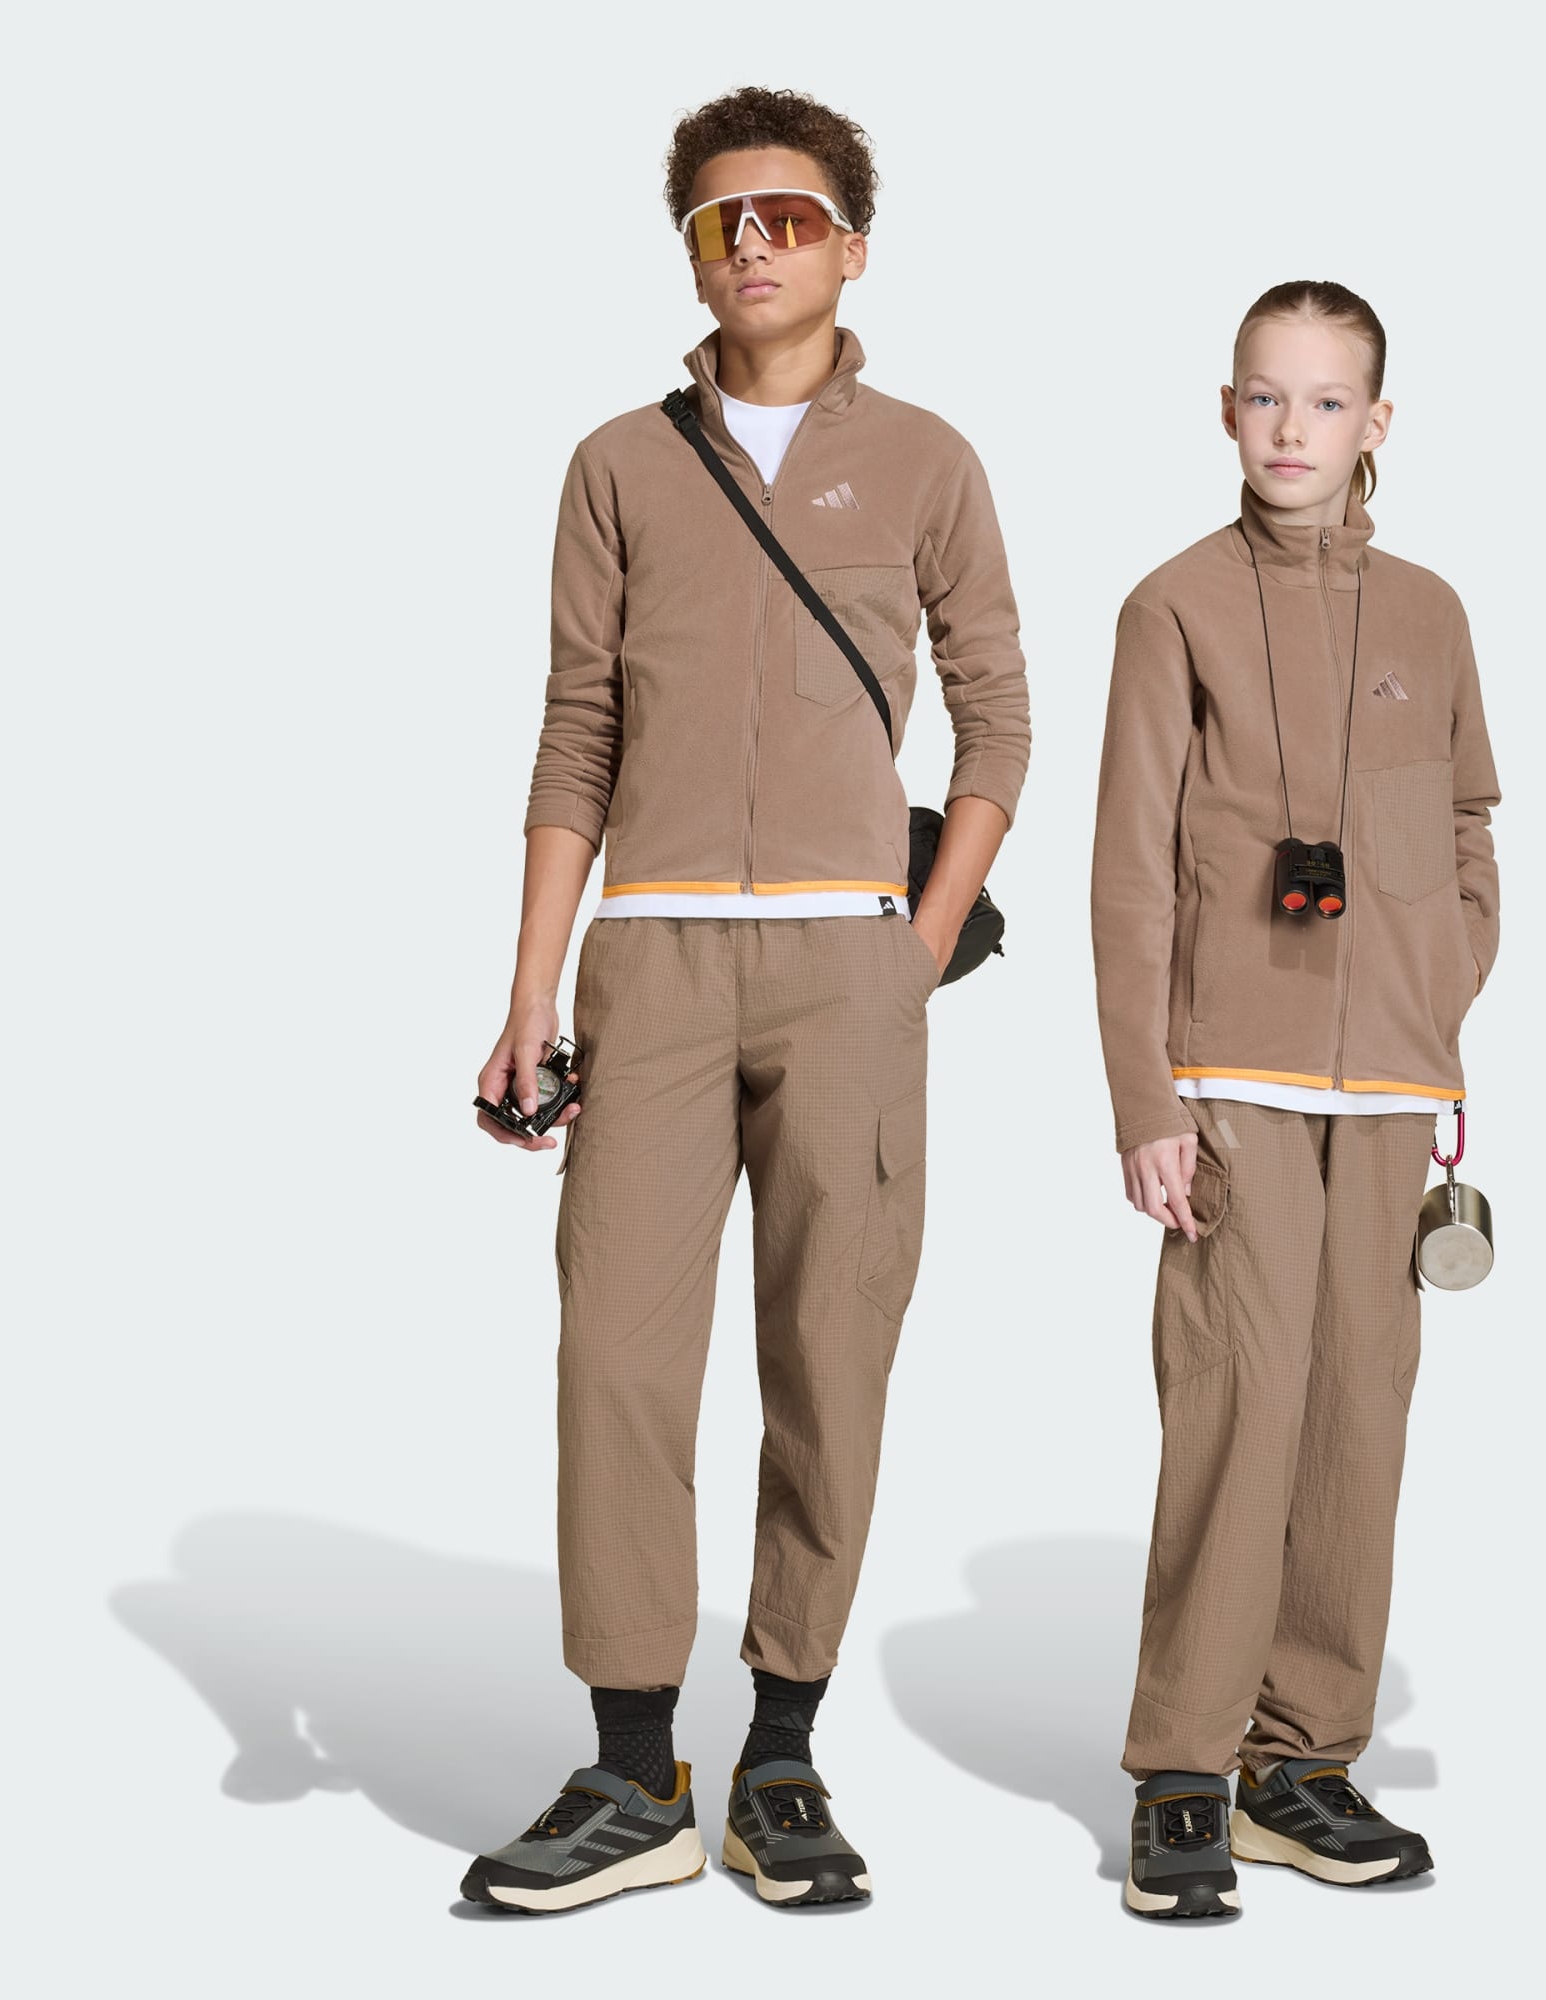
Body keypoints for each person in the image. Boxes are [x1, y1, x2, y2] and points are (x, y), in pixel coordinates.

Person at [463, 86, 1029, 1914]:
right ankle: (635, 1773)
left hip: (854, 966)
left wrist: (918, 945)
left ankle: (783, 1750)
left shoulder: (929, 460)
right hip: (653, 954)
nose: (757, 242)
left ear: (852, 245)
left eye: (790, 214)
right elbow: (577, 728)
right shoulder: (618, 466)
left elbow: (1000, 717)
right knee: (617, 1359)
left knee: (830, 1357)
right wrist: (529, 991)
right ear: (692, 254)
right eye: (725, 219)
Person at [1091, 280, 1500, 1917]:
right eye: (1265, 396)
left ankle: (1303, 1761)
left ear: (1376, 423)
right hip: (1229, 1083)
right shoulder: (1172, 607)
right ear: (1226, 409)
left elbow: (1465, 827)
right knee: (1236, 1411)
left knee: (1355, 1422)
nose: (1291, 429)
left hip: (1392, 1084)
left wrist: (1441, 980)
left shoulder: (1431, 615)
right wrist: (1145, 1094)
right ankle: (1184, 1771)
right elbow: (1130, 871)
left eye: (1326, 402)